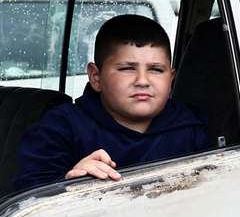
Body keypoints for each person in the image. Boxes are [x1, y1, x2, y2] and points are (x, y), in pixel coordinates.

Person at [13, 14, 207, 191]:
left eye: (156, 70)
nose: (142, 80)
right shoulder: (61, 127)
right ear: (96, 77)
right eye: (126, 69)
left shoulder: (191, 127)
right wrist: (67, 182)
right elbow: (25, 196)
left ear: (171, 79)